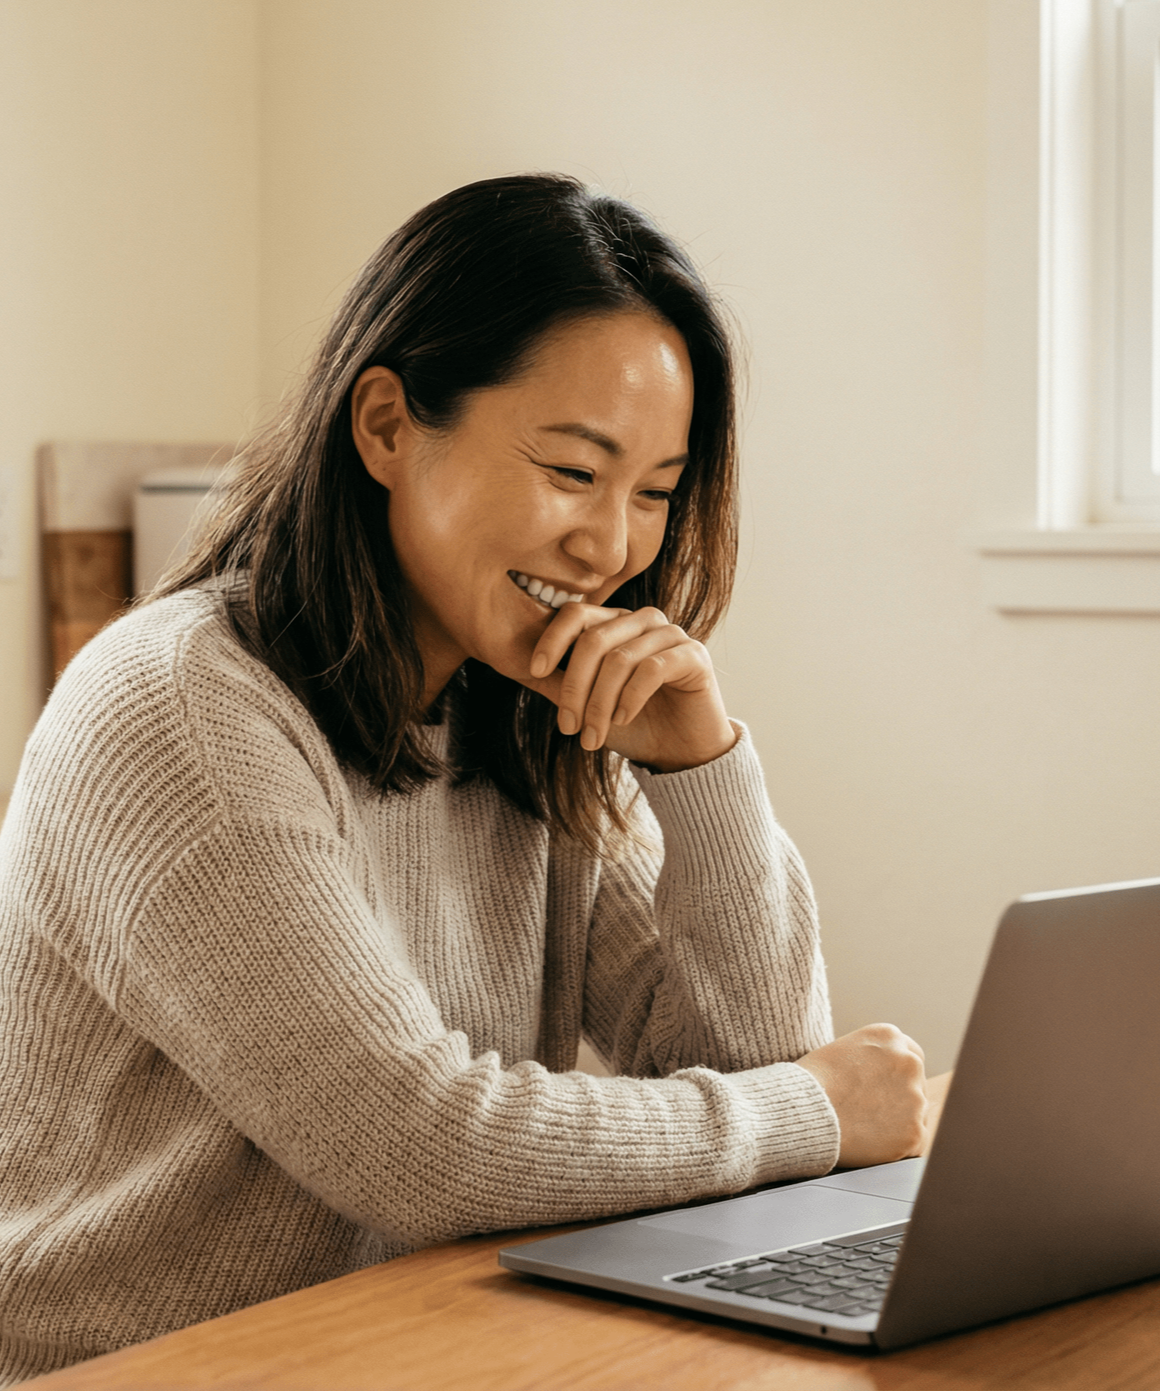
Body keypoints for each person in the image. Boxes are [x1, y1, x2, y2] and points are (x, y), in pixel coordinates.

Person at [0, 174, 930, 1383]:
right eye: (569, 469)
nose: (609, 546)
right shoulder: (180, 707)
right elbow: (421, 1143)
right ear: (386, 425)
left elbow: (755, 1053)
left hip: (402, 1338)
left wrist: (701, 766)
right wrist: (812, 1110)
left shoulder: (522, 705)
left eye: (652, 492)